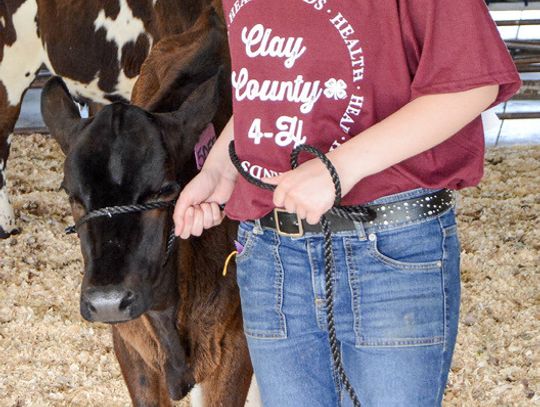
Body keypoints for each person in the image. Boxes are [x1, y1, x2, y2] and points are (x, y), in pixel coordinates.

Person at [173, 1, 521, 405]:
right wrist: (221, 168)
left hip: (388, 248)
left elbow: (471, 83)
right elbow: (272, 83)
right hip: (270, 251)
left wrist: (338, 169)